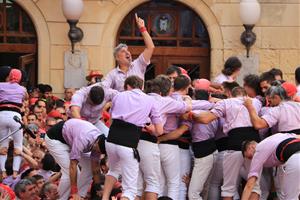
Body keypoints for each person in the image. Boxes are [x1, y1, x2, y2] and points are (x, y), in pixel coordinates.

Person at [184, 87, 262, 200]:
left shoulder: (226, 103)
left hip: (235, 143)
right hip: (255, 144)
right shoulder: (256, 102)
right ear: (245, 95)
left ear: (230, 94)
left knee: (228, 188)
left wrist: (190, 115)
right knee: (255, 185)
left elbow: (206, 119)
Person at [102, 76, 163, 200]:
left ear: (127, 86)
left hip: (111, 140)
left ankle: (104, 198)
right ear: (141, 87)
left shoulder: (118, 96)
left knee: (113, 170)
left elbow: (112, 117)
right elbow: (159, 131)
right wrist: (151, 130)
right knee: (130, 190)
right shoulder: (150, 100)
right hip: (128, 143)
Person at [136, 75, 191, 200]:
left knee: (140, 184)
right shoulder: (166, 101)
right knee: (166, 183)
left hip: (135, 141)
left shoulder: (141, 98)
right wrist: (187, 99)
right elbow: (187, 107)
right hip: (157, 143)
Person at [45, 119, 105, 200]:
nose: (97, 152)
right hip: (55, 139)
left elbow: (95, 166)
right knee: (70, 173)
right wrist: (74, 192)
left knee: (89, 167)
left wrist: (98, 188)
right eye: (97, 150)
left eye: (99, 152)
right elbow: (72, 166)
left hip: (71, 138)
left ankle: (79, 196)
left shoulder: (101, 142)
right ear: (96, 143)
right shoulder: (83, 140)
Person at [102, 14, 155, 92]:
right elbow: (104, 88)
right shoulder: (112, 74)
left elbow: (150, 47)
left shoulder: (138, 64)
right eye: (123, 51)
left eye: (128, 51)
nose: (127, 53)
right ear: (117, 57)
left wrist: (142, 28)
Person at [241, 133, 300, 200]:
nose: (251, 159)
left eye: (249, 157)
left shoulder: (258, 151)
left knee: (290, 198)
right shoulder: (277, 136)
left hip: (295, 158)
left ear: (251, 147)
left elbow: (250, 185)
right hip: (294, 155)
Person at [0, 69, 27, 179]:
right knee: (18, 145)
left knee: (3, 146)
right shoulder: (22, 89)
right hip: (15, 116)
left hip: (1, 115)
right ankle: (15, 172)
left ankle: (3, 171)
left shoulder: (1, 85)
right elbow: (26, 98)